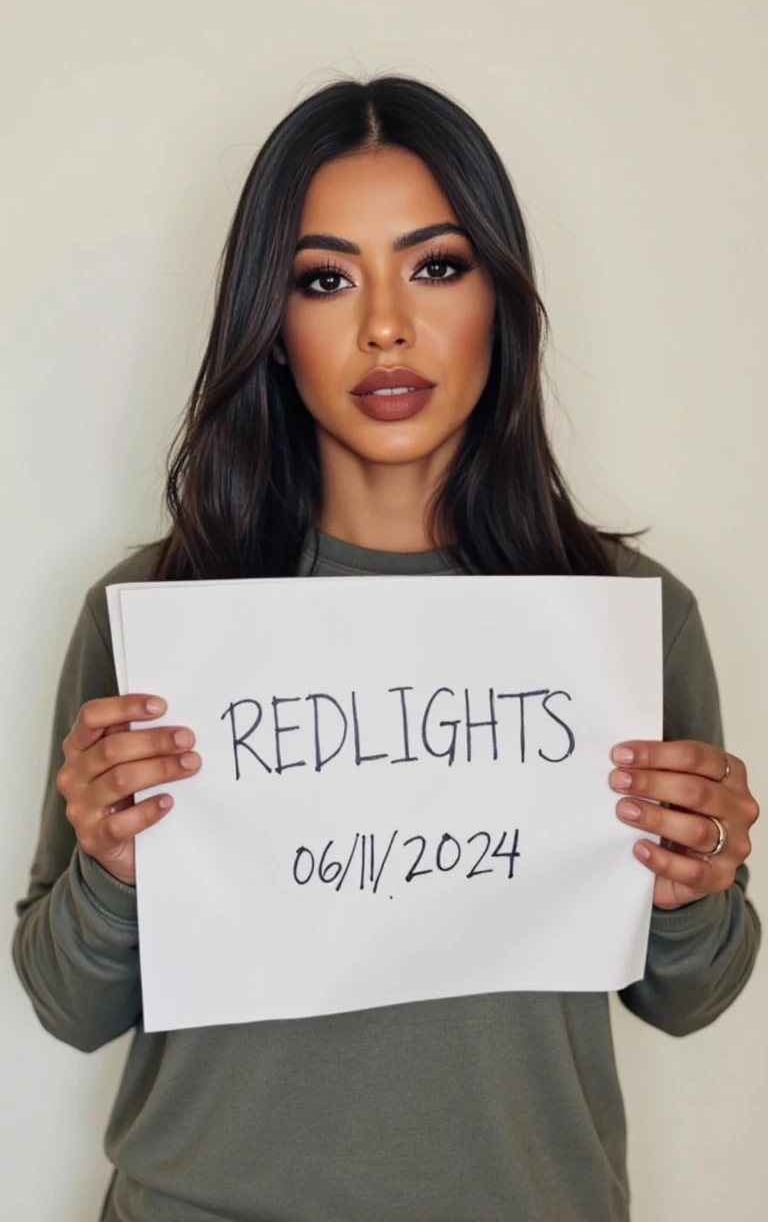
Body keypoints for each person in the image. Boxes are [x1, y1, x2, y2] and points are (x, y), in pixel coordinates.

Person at [13, 75, 760, 1222]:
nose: (384, 325)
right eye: (325, 279)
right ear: (272, 327)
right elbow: (68, 1005)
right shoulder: (160, 611)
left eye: (436, 266)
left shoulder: (624, 616)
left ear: (499, 299)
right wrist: (110, 866)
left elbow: (689, 997)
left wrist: (696, 875)